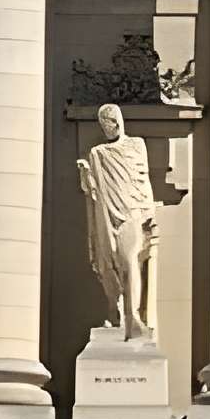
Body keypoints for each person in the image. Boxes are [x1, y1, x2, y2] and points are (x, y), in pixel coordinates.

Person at [78, 101, 159, 340]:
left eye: (110, 122)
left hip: (132, 213)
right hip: (107, 215)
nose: (107, 127)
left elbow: (143, 178)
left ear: (118, 122)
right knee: (109, 263)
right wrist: (86, 174)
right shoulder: (98, 153)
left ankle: (133, 316)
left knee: (129, 259)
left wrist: (149, 211)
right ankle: (117, 312)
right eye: (103, 124)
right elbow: (93, 191)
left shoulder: (137, 145)